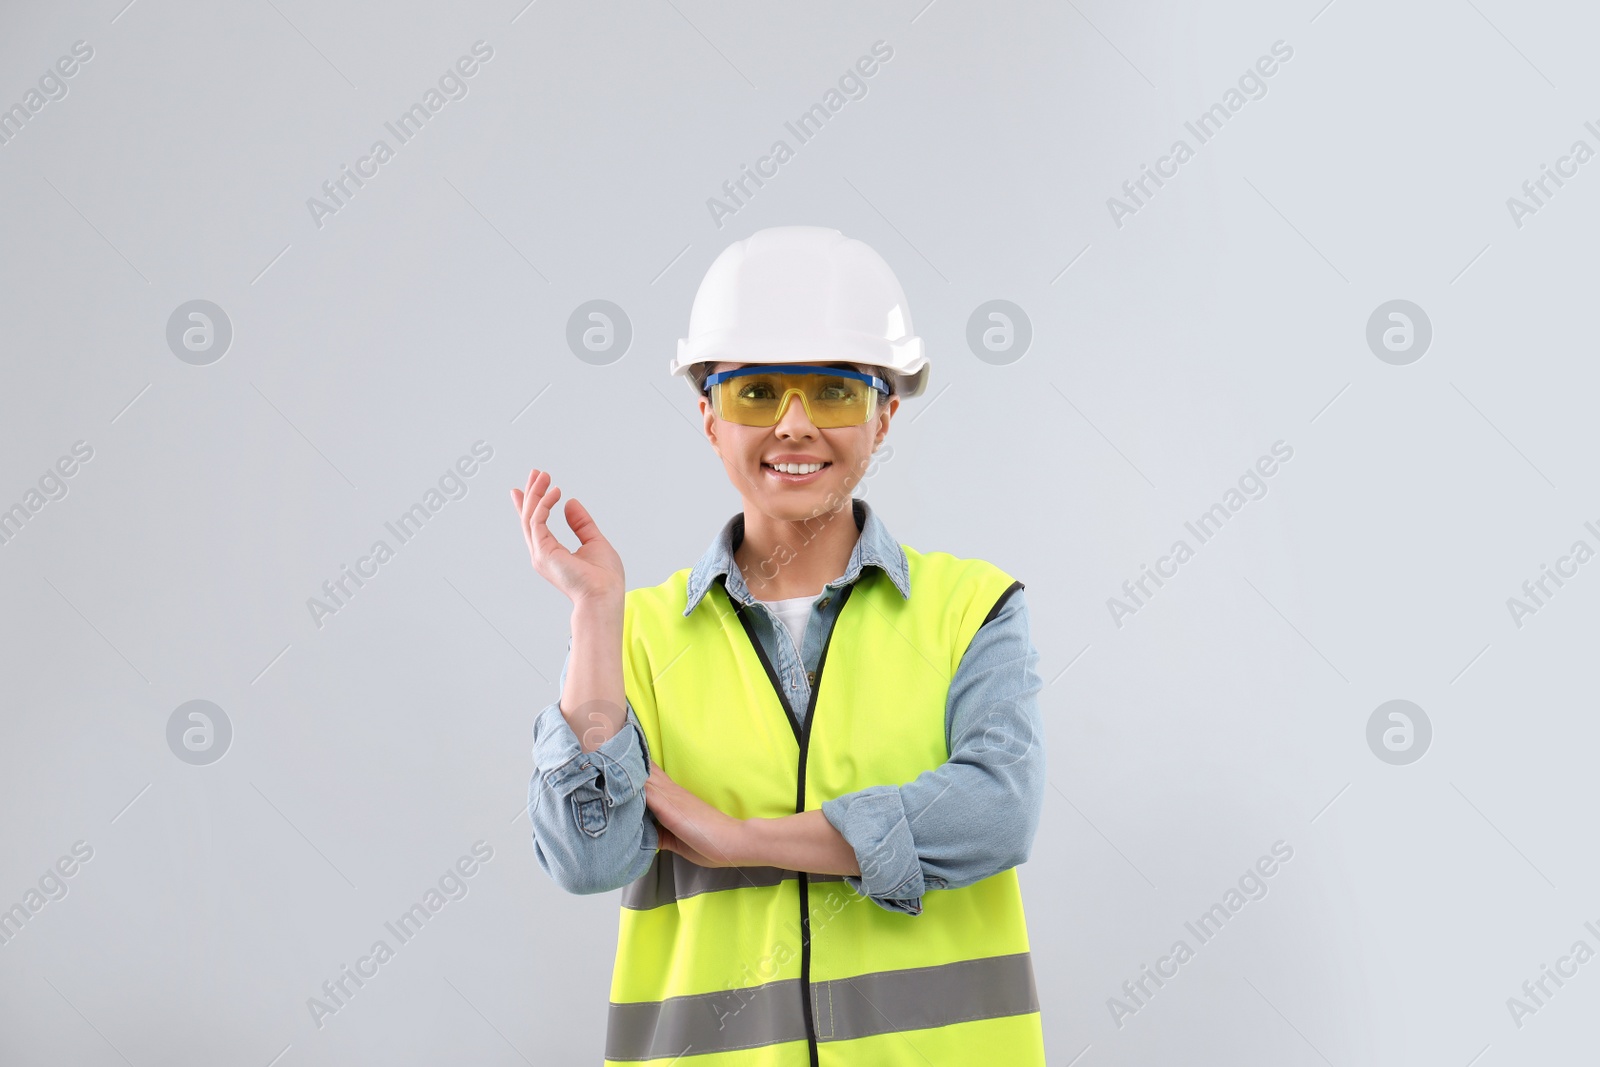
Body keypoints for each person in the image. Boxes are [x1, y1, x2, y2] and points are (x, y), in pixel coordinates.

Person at [511, 226, 1048, 1065]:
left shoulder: (971, 609)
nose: (794, 427)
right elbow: (588, 857)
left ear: (884, 414)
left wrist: (743, 838)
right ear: (708, 419)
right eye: (756, 393)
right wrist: (593, 611)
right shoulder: (640, 636)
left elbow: (997, 811)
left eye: (834, 392)